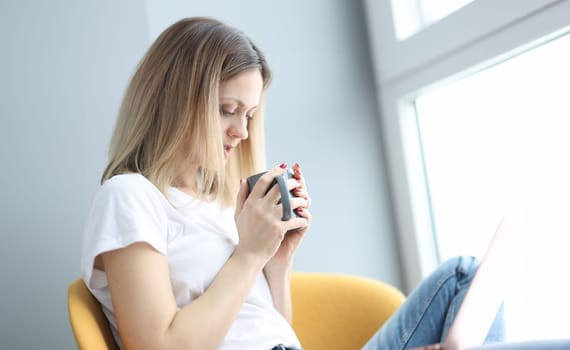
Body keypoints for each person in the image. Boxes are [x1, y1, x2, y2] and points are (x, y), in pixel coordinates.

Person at [81, 17, 504, 350]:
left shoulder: (222, 206)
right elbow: (158, 346)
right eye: (228, 109)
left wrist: (276, 263)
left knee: (462, 281)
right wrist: (248, 255)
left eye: (248, 115)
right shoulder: (130, 196)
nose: (241, 132)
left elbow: (274, 333)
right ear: (175, 100)